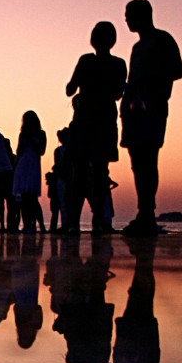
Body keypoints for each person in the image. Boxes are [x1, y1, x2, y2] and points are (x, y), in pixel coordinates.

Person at [119, 0, 182, 236]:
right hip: (133, 112)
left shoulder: (162, 40)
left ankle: (148, 213)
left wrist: (149, 85)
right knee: (138, 164)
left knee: (149, 160)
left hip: (153, 109)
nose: (126, 19)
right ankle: (143, 211)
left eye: (129, 14)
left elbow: (177, 70)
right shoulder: (137, 48)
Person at [65, 21, 127, 233]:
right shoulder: (119, 64)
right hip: (105, 121)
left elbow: (69, 88)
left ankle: (73, 221)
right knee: (101, 172)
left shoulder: (86, 61)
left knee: (79, 173)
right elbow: (118, 94)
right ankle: (99, 220)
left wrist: (83, 84)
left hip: (84, 121)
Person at [12, 111, 46, 233]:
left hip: (33, 164)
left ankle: (40, 225)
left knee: (33, 198)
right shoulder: (23, 134)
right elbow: (19, 151)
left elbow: (42, 151)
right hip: (23, 164)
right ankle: (28, 225)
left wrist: (31, 140)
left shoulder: (41, 134)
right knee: (25, 199)